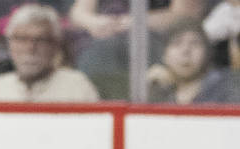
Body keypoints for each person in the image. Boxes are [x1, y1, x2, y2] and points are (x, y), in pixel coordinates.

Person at [69, 0, 206, 99]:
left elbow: (186, 14)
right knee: (97, 54)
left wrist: (137, 21)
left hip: (157, 42)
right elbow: (79, 13)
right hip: (105, 41)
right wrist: (95, 22)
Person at [0, 4, 100, 102]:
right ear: (9, 44)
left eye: (40, 40)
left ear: (55, 45)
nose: (30, 47)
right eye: (22, 39)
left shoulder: (77, 88)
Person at [147, 19, 231, 103]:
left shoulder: (226, 88)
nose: (186, 50)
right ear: (164, 55)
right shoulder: (155, 89)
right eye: (177, 43)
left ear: (207, 53)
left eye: (195, 43)